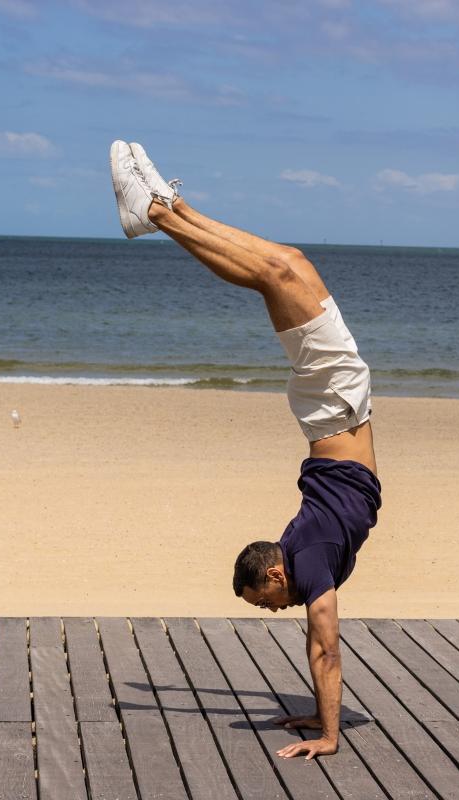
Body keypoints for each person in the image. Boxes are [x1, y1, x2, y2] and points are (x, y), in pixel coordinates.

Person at [110, 141, 382, 760]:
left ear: (277, 571)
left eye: (273, 601)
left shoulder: (308, 559)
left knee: (278, 272)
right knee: (284, 265)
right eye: (277, 605)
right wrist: (322, 720)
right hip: (334, 409)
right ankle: (163, 208)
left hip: (334, 408)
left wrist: (326, 727)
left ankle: (160, 212)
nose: (285, 609)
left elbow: (323, 646)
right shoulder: (309, 560)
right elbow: (326, 649)